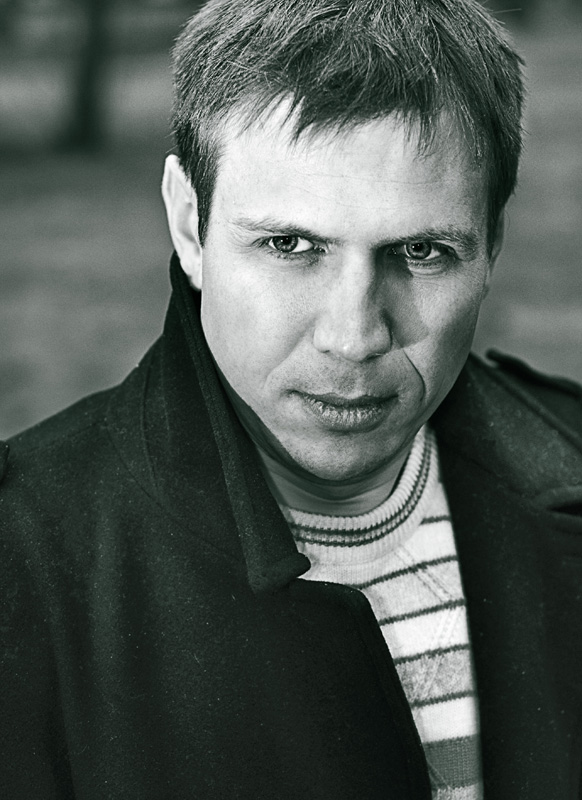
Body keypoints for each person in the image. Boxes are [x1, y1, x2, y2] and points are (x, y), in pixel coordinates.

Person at [1, 0, 581, 797]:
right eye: (290, 245)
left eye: (421, 251)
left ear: (492, 246)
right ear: (189, 225)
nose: (354, 336)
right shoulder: (23, 563)